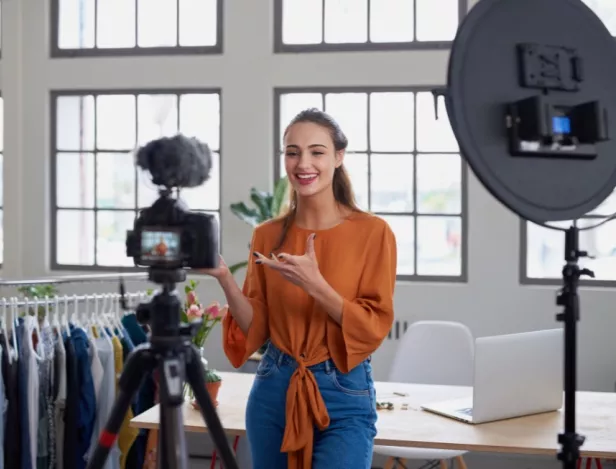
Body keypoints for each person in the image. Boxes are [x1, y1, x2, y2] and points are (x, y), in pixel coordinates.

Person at [200, 108, 397, 469]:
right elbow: (255, 330)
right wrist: (225, 277)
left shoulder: (373, 233)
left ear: (339, 157)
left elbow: (373, 325)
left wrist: (317, 286)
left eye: (316, 152)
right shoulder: (267, 234)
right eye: (293, 152)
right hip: (274, 387)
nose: (303, 163)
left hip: (344, 389)